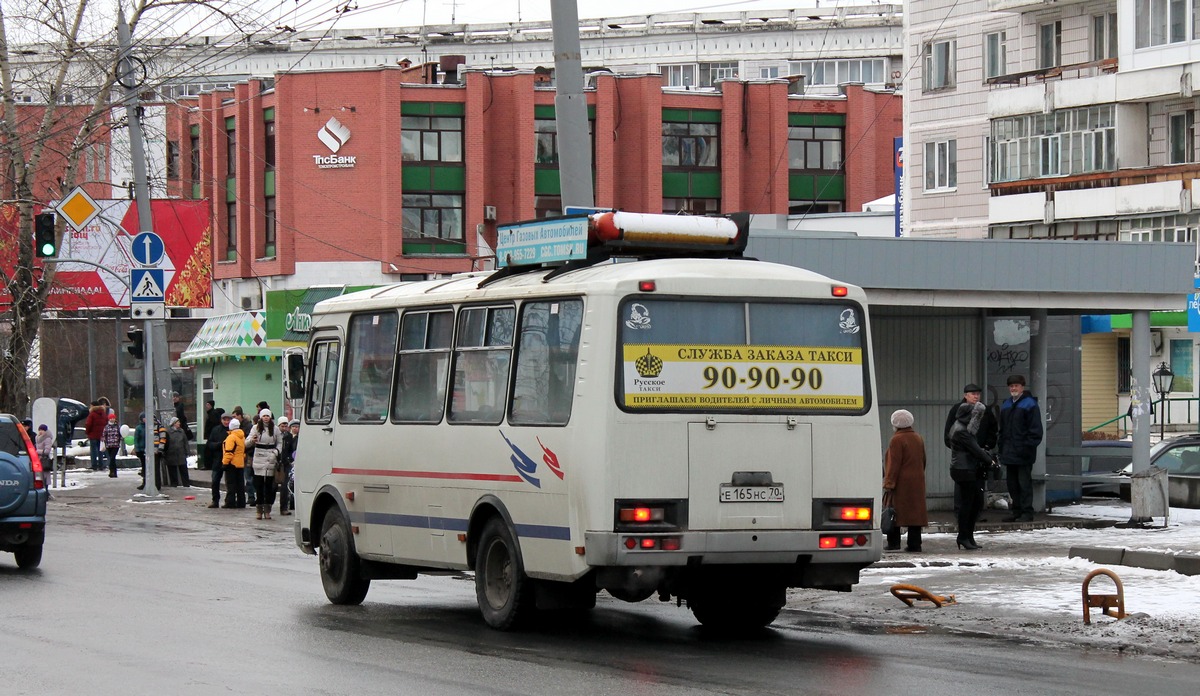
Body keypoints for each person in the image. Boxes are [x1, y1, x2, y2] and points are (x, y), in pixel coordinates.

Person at [949, 402, 997, 550]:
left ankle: (967, 536)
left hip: (965, 468)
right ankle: (964, 536)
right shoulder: (961, 431)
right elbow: (975, 449)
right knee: (968, 504)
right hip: (964, 470)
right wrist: (991, 461)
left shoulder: (961, 427)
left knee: (973, 503)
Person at [943, 383, 998, 513]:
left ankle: (976, 513)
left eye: (978, 394)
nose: (976, 397)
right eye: (973, 394)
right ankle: (961, 514)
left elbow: (993, 430)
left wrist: (987, 446)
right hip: (964, 457)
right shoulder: (957, 410)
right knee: (962, 487)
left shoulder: (985, 410)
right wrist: (956, 447)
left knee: (978, 486)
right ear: (965, 396)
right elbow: (948, 432)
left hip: (980, 454)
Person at [999, 374, 1044, 523]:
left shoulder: (1030, 404)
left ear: (1022, 387)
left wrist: (1026, 448)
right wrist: (1002, 448)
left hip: (1023, 453)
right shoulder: (1006, 404)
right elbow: (1003, 430)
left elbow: (1036, 431)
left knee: (1024, 484)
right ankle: (1017, 511)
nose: (1013, 388)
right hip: (1010, 452)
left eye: (1016, 385)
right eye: (1011, 386)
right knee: (1012, 484)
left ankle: (1026, 512)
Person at [882, 409, 927, 552]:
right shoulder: (918, 438)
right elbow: (923, 460)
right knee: (915, 512)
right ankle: (915, 544)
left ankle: (893, 543)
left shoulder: (896, 439)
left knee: (894, 512)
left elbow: (893, 464)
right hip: (917, 481)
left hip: (900, 483)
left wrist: (889, 483)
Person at [246, 409, 281, 520]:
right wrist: (252, 440)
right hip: (259, 457)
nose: (266, 418)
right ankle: (259, 508)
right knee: (259, 485)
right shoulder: (255, 428)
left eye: (268, 416)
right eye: (264, 416)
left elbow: (280, 442)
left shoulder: (275, 429)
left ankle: (267, 509)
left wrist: (276, 452)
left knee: (269, 486)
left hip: (271, 456)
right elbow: (246, 443)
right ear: (261, 417)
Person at [206, 411, 230, 508]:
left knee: (229, 482)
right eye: (225, 420)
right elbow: (209, 444)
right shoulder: (216, 430)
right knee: (215, 481)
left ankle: (229, 500)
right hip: (217, 459)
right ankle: (215, 500)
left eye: (228, 420)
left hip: (229, 460)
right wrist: (219, 445)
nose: (226, 422)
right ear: (221, 420)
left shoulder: (233, 430)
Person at [221, 418, 247, 508]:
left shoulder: (231, 437)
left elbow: (229, 452)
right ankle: (241, 502)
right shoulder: (242, 437)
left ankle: (230, 502)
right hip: (240, 463)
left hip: (231, 464)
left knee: (231, 484)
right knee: (240, 485)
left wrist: (225, 463)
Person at [164, 417, 191, 487]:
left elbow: (185, 442)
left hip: (181, 453)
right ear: (173, 424)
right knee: (172, 469)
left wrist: (187, 451)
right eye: (177, 422)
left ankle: (186, 483)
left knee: (183, 468)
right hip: (171, 453)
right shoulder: (168, 432)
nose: (179, 423)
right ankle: (174, 483)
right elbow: (165, 443)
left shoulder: (181, 431)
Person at [277, 419, 295, 516]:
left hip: (285, 464)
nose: (284, 428)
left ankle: (284, 507)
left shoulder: (288, 436)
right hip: (275, 463)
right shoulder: (275, 434)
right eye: (282, 426)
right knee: (272, 486)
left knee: (285, 487)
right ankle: (267, 507)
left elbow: (291, 450)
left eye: (285, 426)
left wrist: (290, 460)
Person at [84, 400, 107, 472]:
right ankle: (101, 465)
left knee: (93, 451)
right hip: (101, 435)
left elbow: (88, 424)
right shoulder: (103, 414)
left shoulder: (92, 414)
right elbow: (106, 423)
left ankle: (94, 465)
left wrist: (87, 432)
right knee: (100, 450)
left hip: (93, 435)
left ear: (93, 406)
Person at [102, 414, 123, 478]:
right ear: (109, 419)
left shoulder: (117, 427)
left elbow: (120, 435)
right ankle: (112, 472)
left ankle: (113, 472)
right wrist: (103, 442)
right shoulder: (106, 427)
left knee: (112, 458)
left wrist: (121, 438)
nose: (112, 419)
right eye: (111, 418)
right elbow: (104, 435)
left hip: (115, 445)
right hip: (108, 445)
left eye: (113, 418)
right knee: (112, 459)